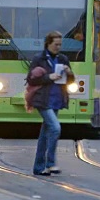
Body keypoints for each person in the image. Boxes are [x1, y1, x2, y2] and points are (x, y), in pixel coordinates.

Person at [26, 31, 75, 176]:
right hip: (43, 100)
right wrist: (49, 77)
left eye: (60, 44)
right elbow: (31, 79)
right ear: (48, 43)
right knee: (55, 128)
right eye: (56, 44)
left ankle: (38, 167)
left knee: (44, 135)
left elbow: (70, 81)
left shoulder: (63, 58)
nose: (58, 47)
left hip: (57, 100)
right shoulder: (39, 59)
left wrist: (69, 72)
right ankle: (51, 163)